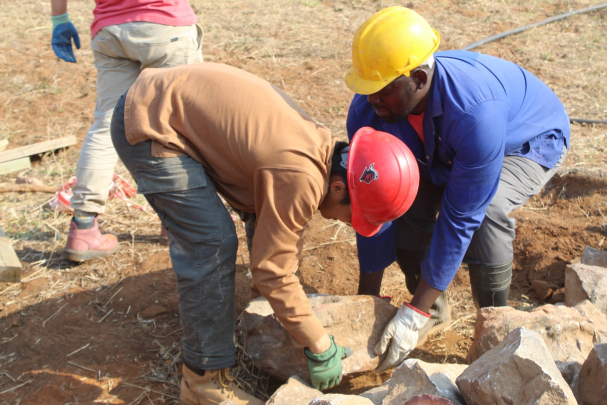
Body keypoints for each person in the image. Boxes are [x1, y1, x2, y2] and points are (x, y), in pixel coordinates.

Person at [110, 62, 420, 403]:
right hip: (152, 123)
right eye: (352, 216)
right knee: (211, 243)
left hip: (166, 103)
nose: (345, 224)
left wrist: (278, 313)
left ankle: (258, 318)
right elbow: (274, 270)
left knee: (264, 219)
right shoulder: (298, 174)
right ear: (336, 188)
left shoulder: (320, 149)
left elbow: (277, 232)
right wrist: (317, 343)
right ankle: (203, 382)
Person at [343, 6, 570, 373]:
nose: (371, 100)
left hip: (523, 138)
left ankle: (492, 331)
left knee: (488, 212)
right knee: (403, 195)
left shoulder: (474, 113)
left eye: (382, 90)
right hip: (447, 147)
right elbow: (374, 201)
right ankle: (434, 310)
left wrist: (410, 313)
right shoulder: (372, 111)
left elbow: (461, 215)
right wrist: (363, 301)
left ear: (418, 78)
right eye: (366, 89)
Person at [50, 0, 203, 262]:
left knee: (106, 126)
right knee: (178, 125)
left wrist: (59, 19)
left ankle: (84, 228)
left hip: (111, 31)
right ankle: (179, 223)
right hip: (166, 26)